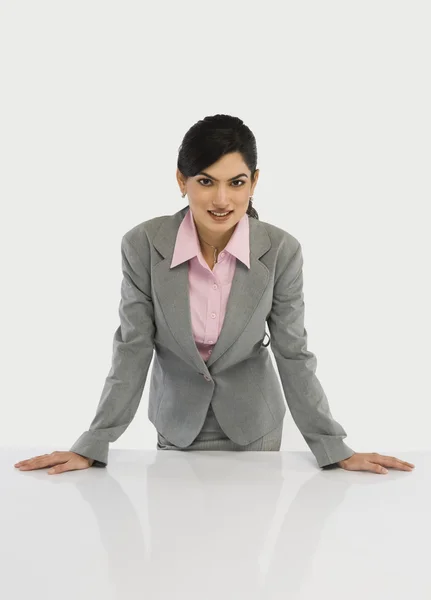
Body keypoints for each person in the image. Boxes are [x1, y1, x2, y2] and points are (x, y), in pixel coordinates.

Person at [14, 114, 415, 476]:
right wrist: (94, 443)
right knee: (179, 547)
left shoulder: (280, 250)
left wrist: (334, 447)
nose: (222, 200)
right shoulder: (143, 244)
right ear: (181, 181)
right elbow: (132, 348)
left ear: (254, 182)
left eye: (236, 182)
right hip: (176, 425)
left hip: (255, 427)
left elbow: (292, 351)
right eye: (206, 181)